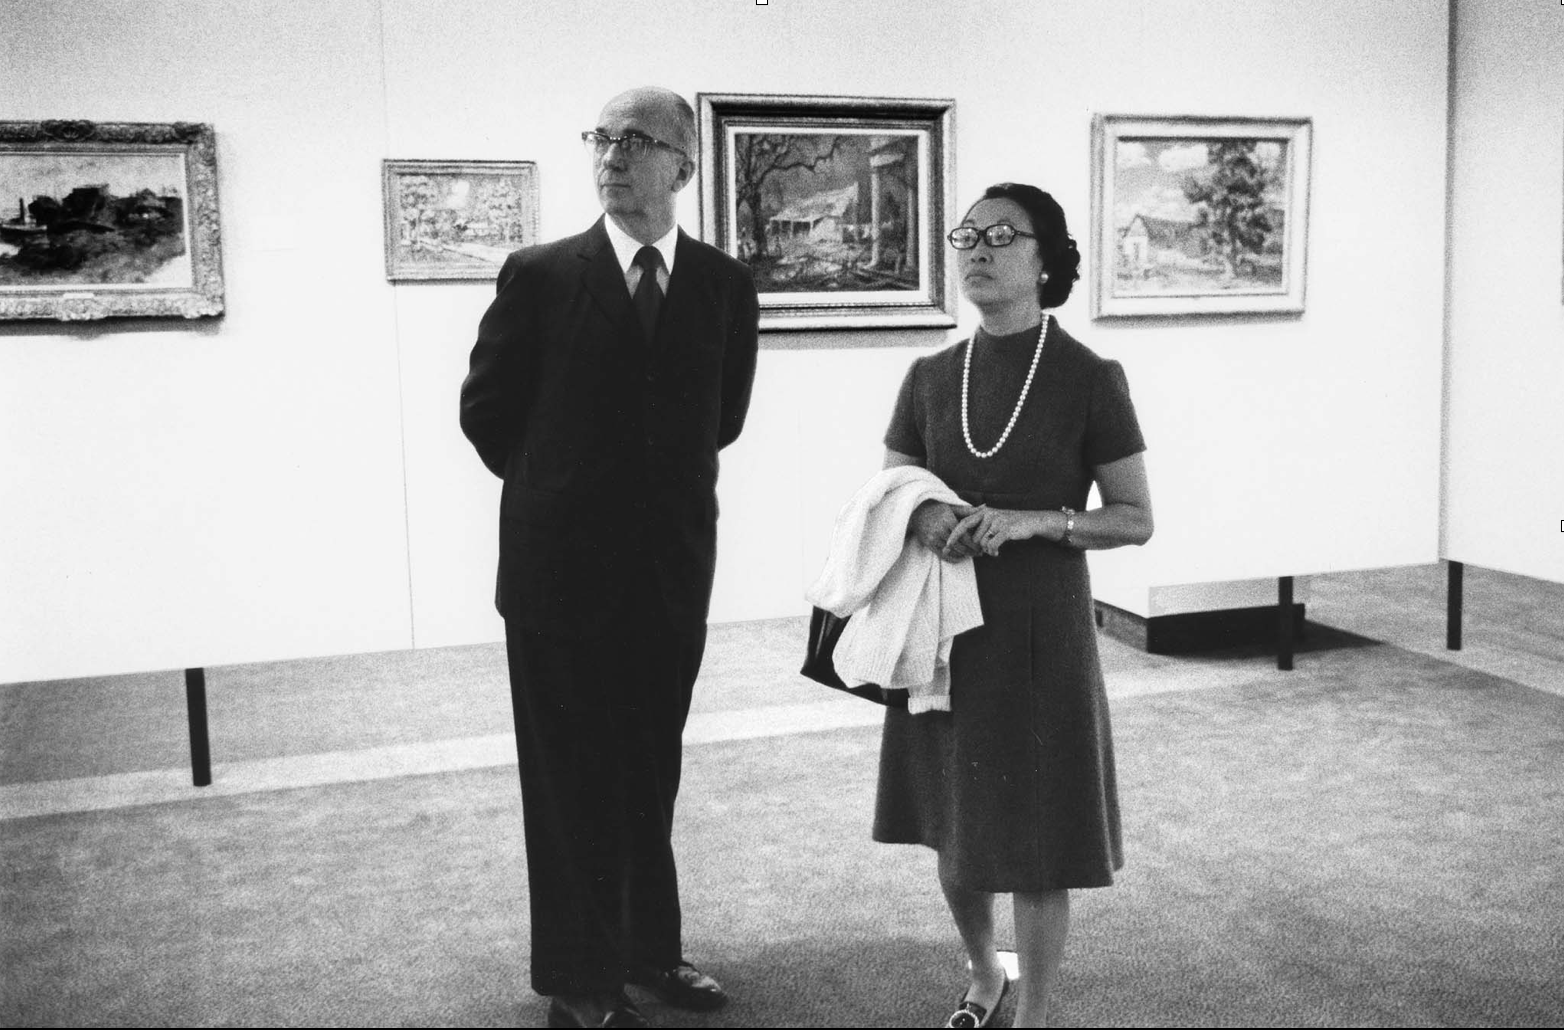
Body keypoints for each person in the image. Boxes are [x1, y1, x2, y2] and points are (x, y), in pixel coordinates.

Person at [459, 86, 759, 1029]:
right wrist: (566, 495)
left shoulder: (722, 283)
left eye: (638, 140)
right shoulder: (542, 274)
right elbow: (486, 414)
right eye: (603, 138)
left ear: (683, 164)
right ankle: (580, 984)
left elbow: (726, 418)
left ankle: (649, 950)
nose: (614, 155)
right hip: (558, 581)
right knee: (569, 777)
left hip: (669, 574)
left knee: (647, 767)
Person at [872, 183, 1153, 1029]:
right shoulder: (929, 377)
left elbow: (1135, 518)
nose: (979, 249)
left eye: (1002, 234)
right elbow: (890, 491)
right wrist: (931, 518)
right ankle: (983, 972)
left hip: (1042, 630)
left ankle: (1033, 1015)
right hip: (946, 623)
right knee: (955, 822)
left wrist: (1038, 521)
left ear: (1046, 259)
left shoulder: (1089, 377)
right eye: (967, 234)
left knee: (1037, 837)